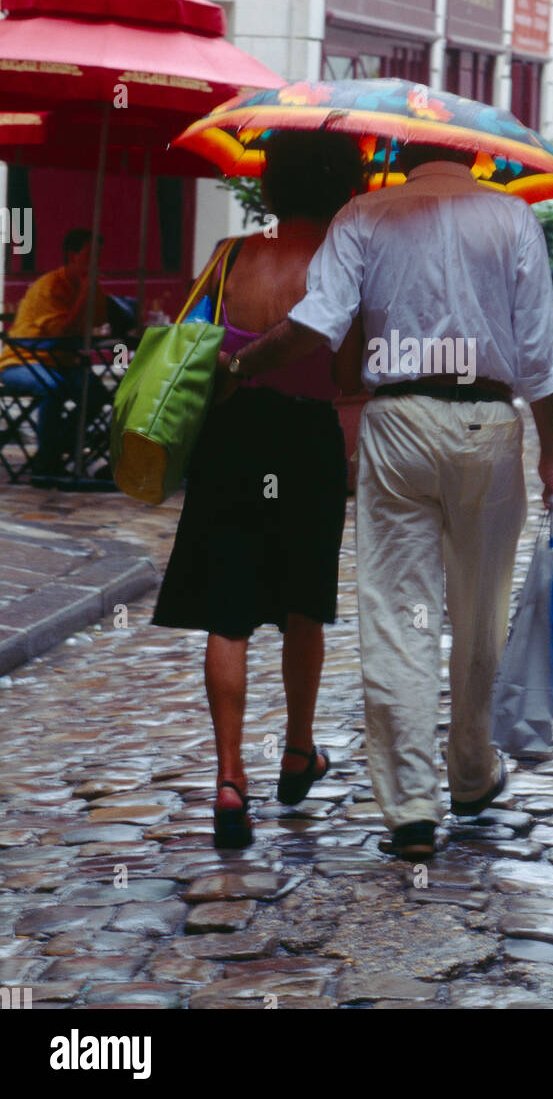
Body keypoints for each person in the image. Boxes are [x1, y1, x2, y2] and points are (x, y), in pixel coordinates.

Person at [219, 143, 553, 862]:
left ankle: (409, 809)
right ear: (473, 153)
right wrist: (552, 452)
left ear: (400, 155)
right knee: (479, 611)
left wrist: (242, 365)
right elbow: (538, 351)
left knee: (395, 613)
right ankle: (471, 775)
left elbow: (319, 324)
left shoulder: (363, 214)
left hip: (399, 421)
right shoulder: (511, 219)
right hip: (489, 423)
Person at [152, 132, 364, 850]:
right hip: (305, 442)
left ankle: (229, 777)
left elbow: (190, 342)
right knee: (304, 604)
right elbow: (349, 377)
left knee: (229, 612)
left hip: (231, 438)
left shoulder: (229, 255)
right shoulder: (340, 264)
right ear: (343, 188)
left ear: (269, 185)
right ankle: (298, 750)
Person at [0, 228, 109, 481]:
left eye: (99, 256)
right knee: (52, 387)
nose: (95, 262)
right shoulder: (49, 286)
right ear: (73, 256)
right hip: (22, 360)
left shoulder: (90, 285)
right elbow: (63, 332)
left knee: (96, 393)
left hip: (61, 361)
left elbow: (102, 319)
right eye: (90, 255)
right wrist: (85, 291)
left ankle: (56, 447)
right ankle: (47, 461)